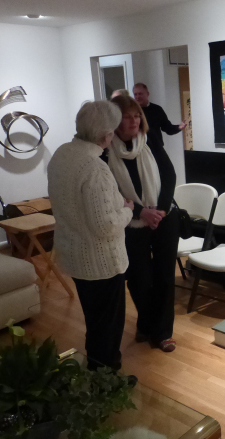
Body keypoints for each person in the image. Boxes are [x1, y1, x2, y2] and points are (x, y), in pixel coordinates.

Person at [47, 101, 134, 371]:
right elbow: (105, 226)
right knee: (108, 327)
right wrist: (128, 211)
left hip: (74, 256)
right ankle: (106, 380)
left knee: (95, 321)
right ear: (106, 135)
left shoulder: (62, 154)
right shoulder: (95, 168)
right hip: (101, 263)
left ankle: (95, 374)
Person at [106, 95, 180, 353]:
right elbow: (111, 193)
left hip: (164, 218)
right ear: (114, 121)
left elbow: (169, 175)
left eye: (137, 115)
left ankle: (162, 332)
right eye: (127, 117)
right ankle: (146, 323)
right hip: (130, 223)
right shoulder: (105, 151)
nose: (134, 121)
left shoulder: (149, 141)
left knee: (164, 277)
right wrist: (140, 213)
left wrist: (159, 211)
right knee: (138, 279)